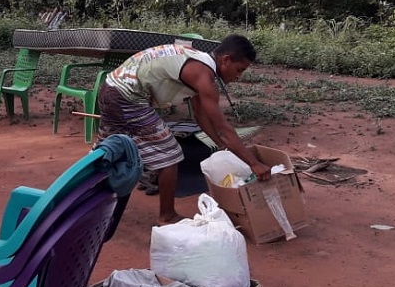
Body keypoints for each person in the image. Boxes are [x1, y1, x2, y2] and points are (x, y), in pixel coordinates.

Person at [95, 33, 270, 225]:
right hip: (128, 98)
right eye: (239, 69)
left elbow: (200, 115)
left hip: (110, 88)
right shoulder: (203, 74)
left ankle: (86, 199)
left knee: (107, 151)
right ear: (226, 60)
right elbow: (222, 127)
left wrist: (221, 145)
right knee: (171, 154)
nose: (238, 76)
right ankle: (167, 216)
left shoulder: (198, 62)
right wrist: (254, 164)